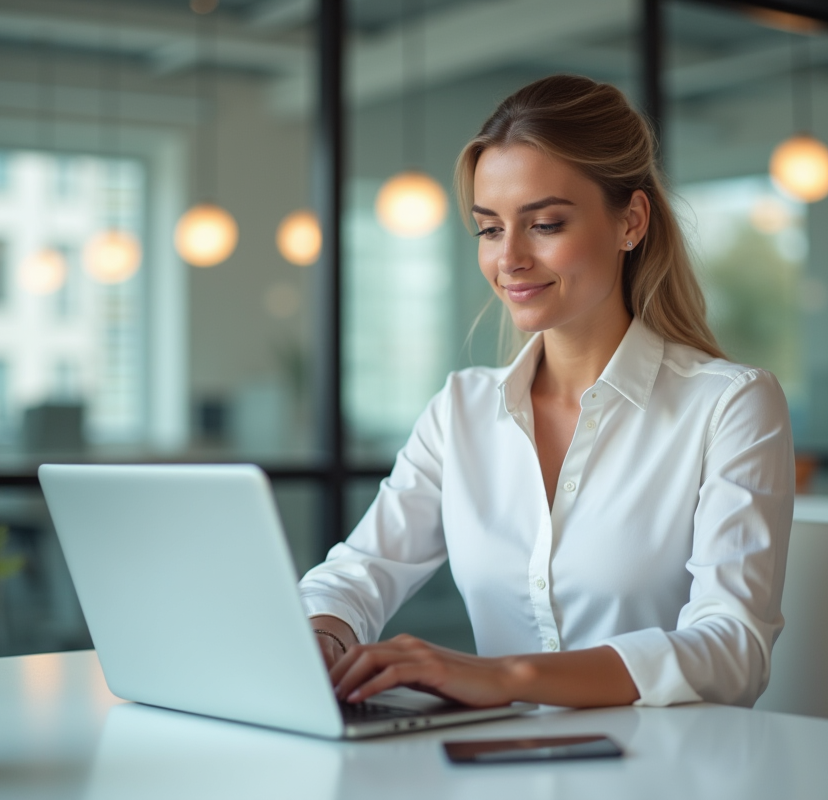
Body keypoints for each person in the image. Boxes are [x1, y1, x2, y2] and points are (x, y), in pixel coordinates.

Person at [300, 74, 794, 711]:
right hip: (500, 767)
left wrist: (508, 677)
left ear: (631, 222)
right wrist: (321, 637)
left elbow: (732, 649)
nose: (509, 259)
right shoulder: (461, 410)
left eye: (546, 224)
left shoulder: (731, 405)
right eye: (489, 229)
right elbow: (358, 573)